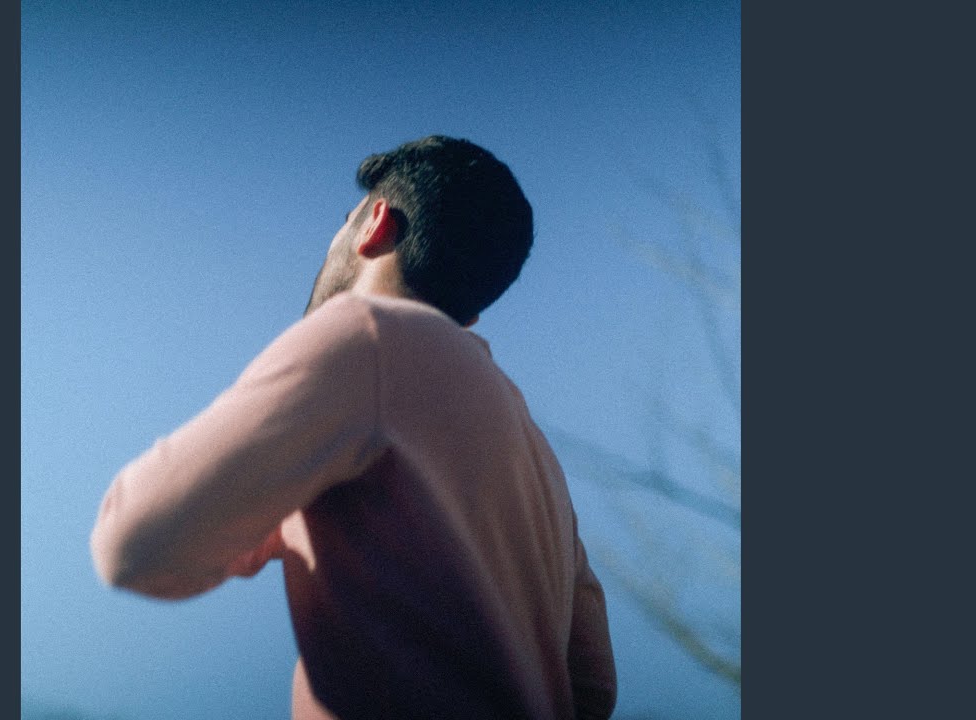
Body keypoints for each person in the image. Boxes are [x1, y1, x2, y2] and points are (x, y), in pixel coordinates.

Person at [89, 135, 617, 719]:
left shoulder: (368, 333)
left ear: (374, 224)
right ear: (470, 313)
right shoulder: (533, 449)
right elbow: (593, 689)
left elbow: (136, 542)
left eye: (345, 221)